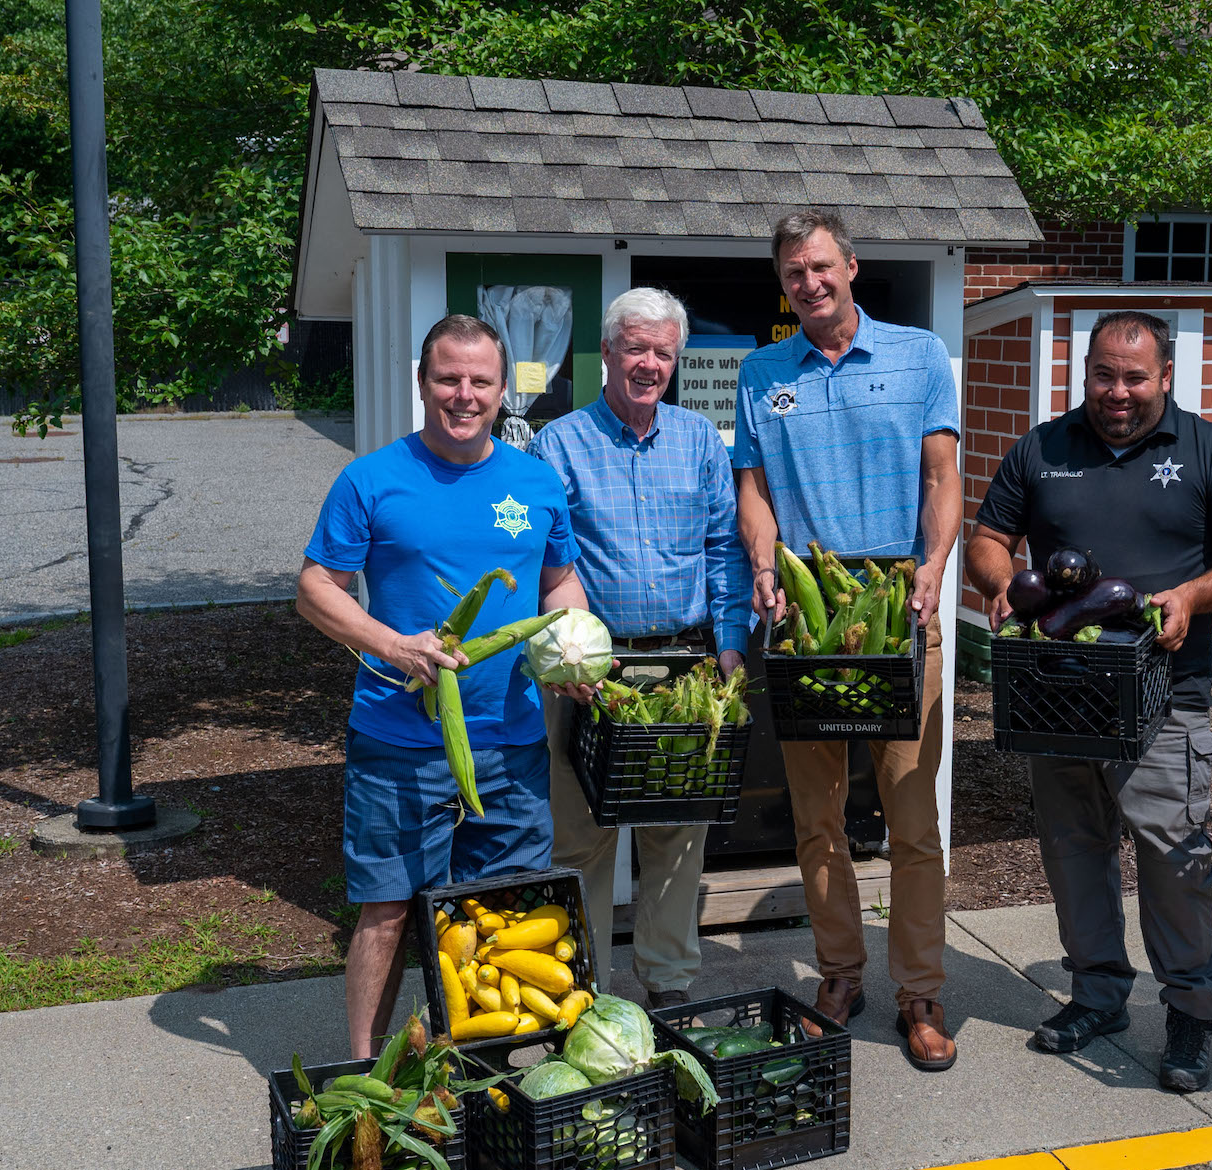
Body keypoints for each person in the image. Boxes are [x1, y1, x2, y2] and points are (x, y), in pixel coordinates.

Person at [966, 311, 1212, 1093]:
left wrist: (1193, 594)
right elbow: (989, 535)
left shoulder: (1209, 450)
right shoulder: (1042, 447)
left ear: (1167, 376)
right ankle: (1099, 994)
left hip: (1163, 693)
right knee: (1074, 851)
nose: (1117, 391)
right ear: (1087, 373)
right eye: (1104, 375)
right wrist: (999, 580)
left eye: (1135, 377)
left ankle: (1189, 1010)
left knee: (1173, 855)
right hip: (1059, 694)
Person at [298, 313, 588, 1058]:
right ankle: (361, 1070)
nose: (464, 394)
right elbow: (316, 588)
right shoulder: (372, 479)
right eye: (448, 378)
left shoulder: (536, 480)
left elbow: (559, 583)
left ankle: (481, 1062)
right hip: (399, 744)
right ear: (423, 384)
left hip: (511, 741)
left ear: (503, 391)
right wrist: (393, 645)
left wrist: (575, 651)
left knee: (502, 914)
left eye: (480, 381)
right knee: (388, 911)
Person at [735, 209, 963, 1071]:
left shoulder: (918, 356)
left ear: (853, 266)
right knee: (816, 819)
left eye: (822, 267)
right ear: (784, 283)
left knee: (911, 818)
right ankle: (840, 973)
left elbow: (942, 478)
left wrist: (933, 566)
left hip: (900, 609)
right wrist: (764, 562)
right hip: (805, 621)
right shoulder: (762, 372)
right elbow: (751, 488)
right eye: (795, 272)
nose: (811, 283)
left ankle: (921, 991)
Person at [530, 288, 752, 1009]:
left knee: (677, 835)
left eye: (663, 351)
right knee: (582, 834)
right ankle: (582, 991)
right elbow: (545, 564)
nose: (649, 364)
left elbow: (724, 548)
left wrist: (730, 644)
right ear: (609, 353)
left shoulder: (698, 440)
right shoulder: (558, 443)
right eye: (636, 348)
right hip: (592, 670)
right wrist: (567, 655)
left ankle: (668, 983)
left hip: (684, 662)